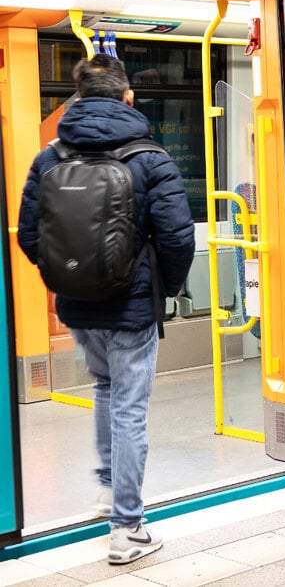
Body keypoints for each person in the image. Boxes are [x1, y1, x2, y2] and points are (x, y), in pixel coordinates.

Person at [17, 54, 195, 563]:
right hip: (132, 307)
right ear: (128, 96)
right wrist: (167, 288)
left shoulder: (49, 157)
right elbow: (178, 236)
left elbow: (31, 233)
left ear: (75, 98)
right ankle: (127, 527)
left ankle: (105, 488)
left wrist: (68, 277)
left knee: (103, 389)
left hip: (76, 304)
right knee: (129, 408)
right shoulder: (151, 158)